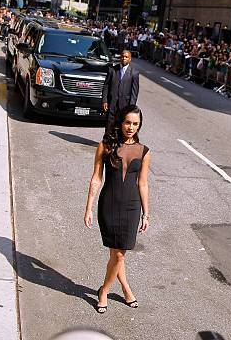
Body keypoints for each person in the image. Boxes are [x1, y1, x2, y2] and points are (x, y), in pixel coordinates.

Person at [83, 105, 151, 314]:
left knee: (119, 253)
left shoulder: (144, 151)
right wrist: (89, 207)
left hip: (132, 207)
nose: (131, 127)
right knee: (118, 254)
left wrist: (146, 214)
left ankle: (109, 288)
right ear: (121, 123)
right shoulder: (105, 146)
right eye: (128, 122)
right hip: (109, 204)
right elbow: (96, 178)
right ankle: (110, 291)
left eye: (135, 124)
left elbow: (143, 184)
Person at [102, 50, 139, 134]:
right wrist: (104, 100)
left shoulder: (134, 73)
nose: (124, 58)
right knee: (109, 123)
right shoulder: (112, 70)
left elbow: (134, 92)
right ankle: (107, 142)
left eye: (126, 57)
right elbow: (106, 85)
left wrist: (131, 108)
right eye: (122, 56)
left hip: (125, 105)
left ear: (130, 59)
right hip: (112, 103)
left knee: (121, 125)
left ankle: (119, 143)